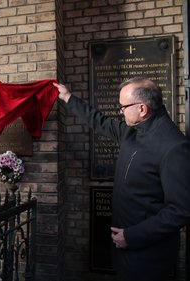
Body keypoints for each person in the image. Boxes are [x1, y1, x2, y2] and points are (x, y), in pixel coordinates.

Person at [53, 77, 190, 281]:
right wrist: (67, 97)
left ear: (142, 109)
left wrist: (132, 237)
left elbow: (180, 211)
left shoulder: (173, 147)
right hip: (123, 248)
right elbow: (99, 121)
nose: (120, 111)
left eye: (123, 106)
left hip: (148, 256)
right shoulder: (131, 131)